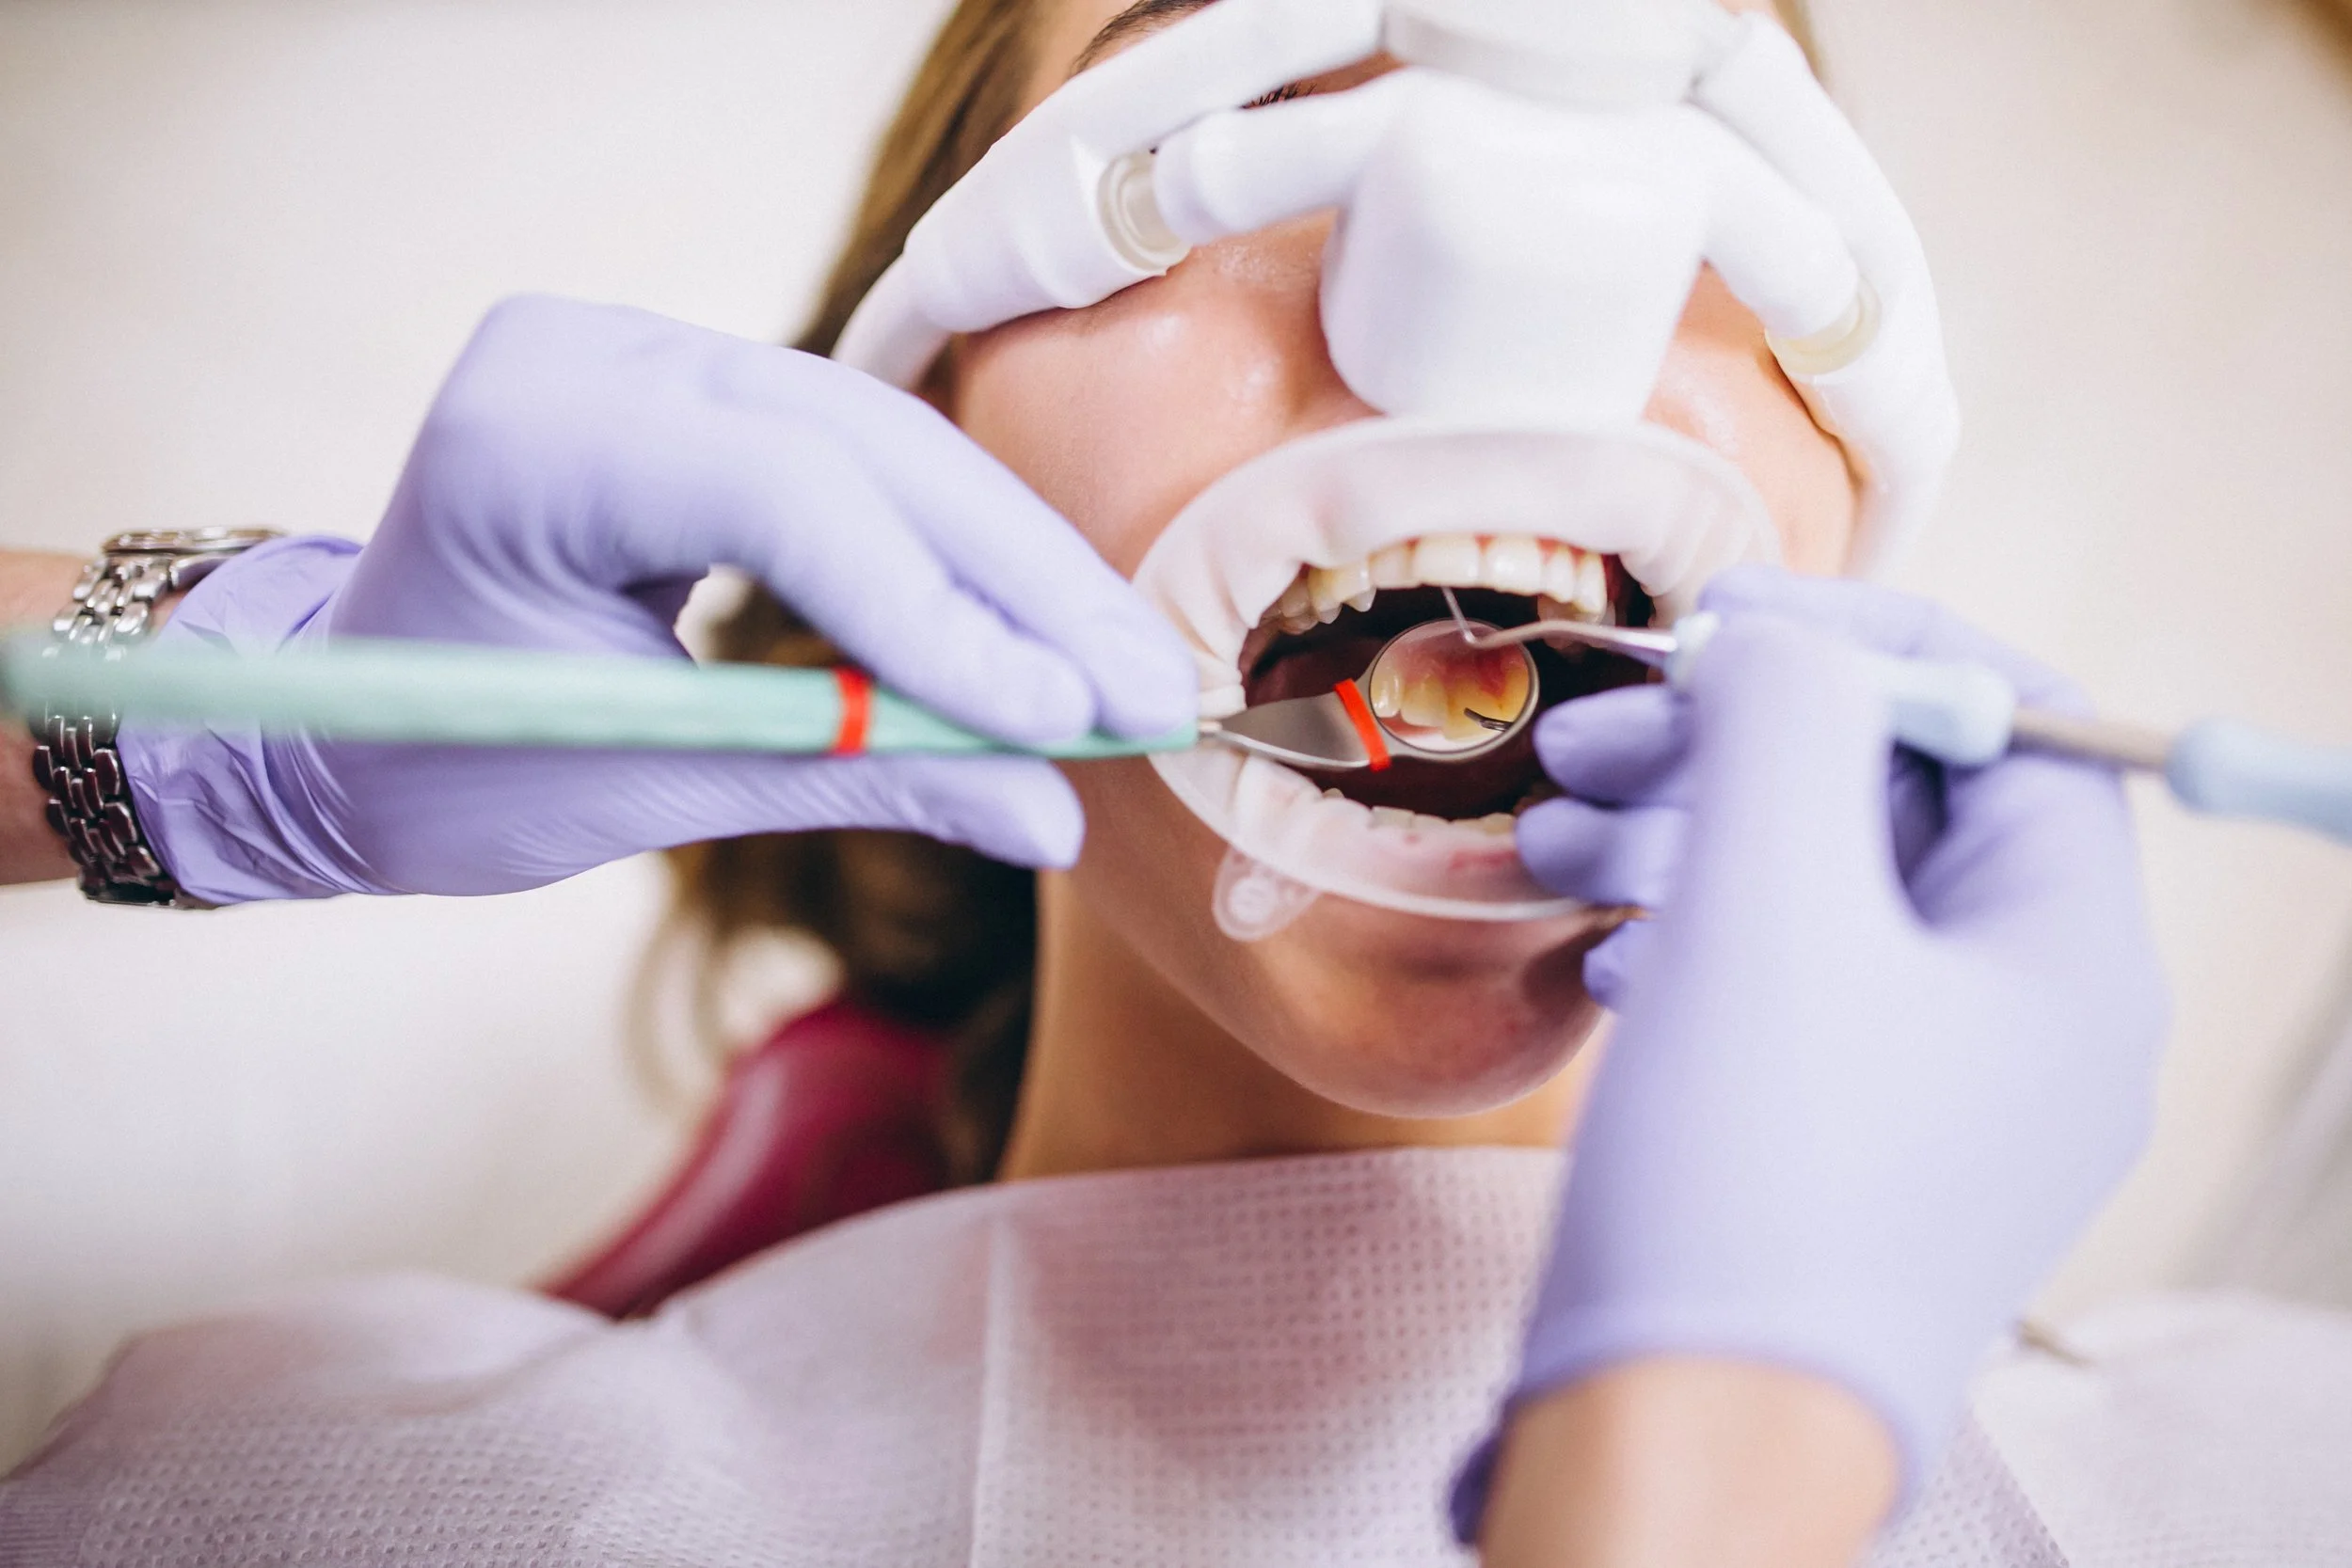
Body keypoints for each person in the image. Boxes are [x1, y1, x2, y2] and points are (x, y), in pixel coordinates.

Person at [8, 4, 2348, 1566]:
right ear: (892, 453)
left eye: (1697, 151)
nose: (1499, 275)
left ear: (1851, 479)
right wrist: (170, 722)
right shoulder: (321, 1492)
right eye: (1237, 127)